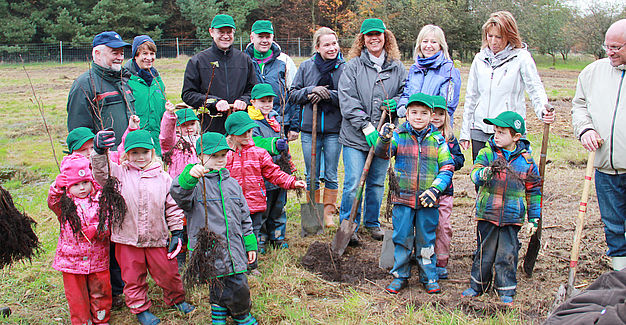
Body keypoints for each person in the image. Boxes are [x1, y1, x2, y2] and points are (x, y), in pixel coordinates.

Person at [91, 127, 195, 324]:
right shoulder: (119, 174)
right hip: (127, 239)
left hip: (157, 237)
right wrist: (98, 152)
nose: (140, 157)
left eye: (145, 152)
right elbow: (101, 172)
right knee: (132, 277)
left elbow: (172, 207)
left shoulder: (163, 178)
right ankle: (140, 308)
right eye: (135, 153)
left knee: (168, 272)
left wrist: (177, 232)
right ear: (127, 154)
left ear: (152, 153)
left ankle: (175, 299)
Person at [170, 132, 259, 325]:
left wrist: (250, 242)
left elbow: (244, 216)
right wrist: (189, 175)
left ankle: (218, 313)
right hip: (210, 248)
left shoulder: (232, 184)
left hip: (234, 246)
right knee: (230, 283)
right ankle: (242, 315)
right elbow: (178, 193)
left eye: (223, 155)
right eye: (214, 156)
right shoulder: (195, 184)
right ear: (200, 156)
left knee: (231, 282)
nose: (220, 160)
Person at [375, 93, 454, 294]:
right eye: (414, 112)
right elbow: (383, 153)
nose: (418, 117)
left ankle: (429, 275)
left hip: (428, 201)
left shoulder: (437, 140)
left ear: (431, 115)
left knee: (426, 239)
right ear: (407, 114)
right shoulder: (399, 135)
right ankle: (400, 274)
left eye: (424, 113)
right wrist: (383, 139)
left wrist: (435, 190)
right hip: (402, 199)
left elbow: (447, 167)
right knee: (402, 237)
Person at [461, 111, 542, 304]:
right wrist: (485, 173)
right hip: (487, 213)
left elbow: (534, 190)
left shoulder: (527, 162)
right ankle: (477, 285)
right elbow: (474, 174)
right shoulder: (487, 153)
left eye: (501, 132)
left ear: (516, 137)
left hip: (512, 216)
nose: (496, 135)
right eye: (495, 131)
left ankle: (506, 288)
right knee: (484, 251)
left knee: (508, 252)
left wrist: (534, 218)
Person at [338, 18, 406, 243]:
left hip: (384, 136)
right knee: (353, 182)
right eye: (369, 35)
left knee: (376, 182)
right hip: (356, 136)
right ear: (362, 39)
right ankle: (349, 224)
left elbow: (406, 92)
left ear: (385, 37)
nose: (374, 38)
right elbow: (347, 99)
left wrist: (397, 103)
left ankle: (372, 223)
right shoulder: (353, 67)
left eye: (378, 34)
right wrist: (366, 126)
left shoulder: (396, 67)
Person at [459, 11, 555, 162]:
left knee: (508, 180)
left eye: (499, 37)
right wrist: (465, 132)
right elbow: (471, 96)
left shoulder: (521, 58)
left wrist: (543, 110)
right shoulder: (479, 59)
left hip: (509, 130)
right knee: (481, 179)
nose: (493, 41)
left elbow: (535, 87)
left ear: (509, 36)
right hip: (480, 129)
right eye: (490, 36)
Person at [571, 19, 626, 271]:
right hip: (605, 167)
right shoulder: (592, 72)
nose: (610, 52)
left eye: (616, 47)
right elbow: (579, 106)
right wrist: (585, 129)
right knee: (613, 224)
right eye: (607, 47)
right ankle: (620, 275)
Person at [224, 111, 306, 271]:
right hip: (231, 206)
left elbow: (273, 172)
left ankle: (251, 266)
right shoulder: (225, 155)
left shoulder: (259, 153)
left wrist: (292, 182)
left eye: (249, 131)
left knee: (252, 235)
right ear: (232, 135)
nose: (248, 135)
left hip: (254, 205)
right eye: (243, 133)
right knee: (233, 235)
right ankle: (233, 265)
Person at [290, 27, 345, 227]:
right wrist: (310, 90)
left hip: (333, 131)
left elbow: (348, 97)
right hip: (309, 130)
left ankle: (328, 213)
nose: (332, 48)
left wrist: (330, 95)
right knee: (311, 174)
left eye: (334, 44)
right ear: (317, 47)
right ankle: (313, 214)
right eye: (327, 44)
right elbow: (293, 94)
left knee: (330, 173)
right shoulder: (306, 67)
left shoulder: (343, 68)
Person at [48, 154, 111, 324]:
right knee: (76, 296)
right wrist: (56, 187)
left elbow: (109, 221)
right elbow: (52, 202)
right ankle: (82, 321)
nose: (82, 188)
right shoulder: (64, 204)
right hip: (71, 261)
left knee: (101, 291)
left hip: (98, 258)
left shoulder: (100, 200)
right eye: (75, 184)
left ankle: (101, 318)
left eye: (85, 182)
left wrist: (98, 230)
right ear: (68, 186)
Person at [182, 14, 257, 134]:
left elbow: (253, 90)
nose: (225, 36)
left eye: (229, 32)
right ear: (211, 32)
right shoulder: (198, 61)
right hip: (209, 127)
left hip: (240, 129)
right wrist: (214, 102)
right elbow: (188, 94)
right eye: (221, 32)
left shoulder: (244, 60)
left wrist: (244, 100)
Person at [67, 31, 134, 148]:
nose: (120, 58)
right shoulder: (84, 85)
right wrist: (97, 147)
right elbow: (78, 133)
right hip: (104, 159)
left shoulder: (124, 80)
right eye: (115, 53)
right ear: (97, 54)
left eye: (122, 53)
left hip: (129, 157)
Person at [248, 84, 294, 252]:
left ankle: (278, 237)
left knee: (279, 207)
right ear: (253, 102)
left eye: (270, 101)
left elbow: (283, 144)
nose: (267, 105)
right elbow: (255, 143)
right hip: (262, 174)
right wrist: (274, 144)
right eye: (263, 101)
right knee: (263, 208)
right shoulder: (251, 123)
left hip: (279, 170)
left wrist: (288, 160)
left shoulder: (275, 119)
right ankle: (260, 238)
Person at [431, 96, 465, 279]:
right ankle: (423, 256)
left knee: (443, 225)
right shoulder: (424, 136)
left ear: (446, 116)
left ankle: (441, 261)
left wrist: (447, 160)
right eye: (433, 113)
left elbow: (460, 160)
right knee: (425, 225)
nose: (436, 117)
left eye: (440, 114)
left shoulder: (450, 139)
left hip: (445, 191)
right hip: (424, 189)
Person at [397, 25, 461, 121]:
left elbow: (448, 104)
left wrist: (426, 117)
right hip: (413, 126)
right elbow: (407, 94)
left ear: (440, 45)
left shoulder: (448, 69)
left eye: (434, 42)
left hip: (436, 128)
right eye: (425, 41)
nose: (428, 45)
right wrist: (403, 108)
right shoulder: (414, 69)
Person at [245, 20, 299, 133]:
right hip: (251, 123)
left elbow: (294, 93)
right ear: (252, 37)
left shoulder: (284, 60)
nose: (264, 40)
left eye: (268, 37)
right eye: (260, 37)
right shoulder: (243, 60)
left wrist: (294, 126)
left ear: (272, 37)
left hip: (280, 122)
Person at [125, 35, 170, 156]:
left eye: (152, 53)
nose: (149, 58)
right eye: (144, 54)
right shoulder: (126, 80)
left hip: (156, 141)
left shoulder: (157, 80)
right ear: (135, 55)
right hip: (136, 143)